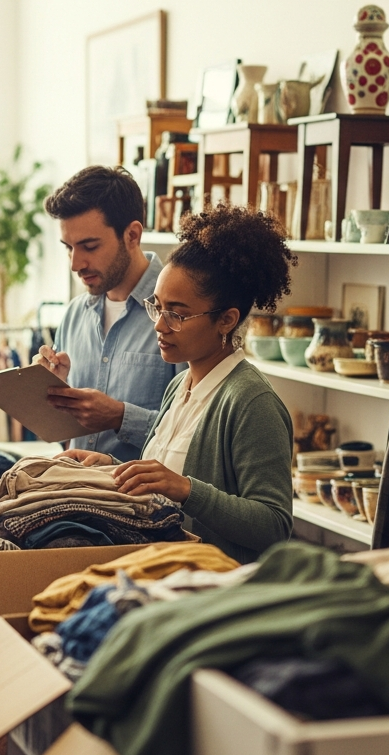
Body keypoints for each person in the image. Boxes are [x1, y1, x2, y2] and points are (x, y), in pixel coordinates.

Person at [60, 204, 297, 563]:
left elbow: (274, 525)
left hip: (214, 585)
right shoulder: (179, 386)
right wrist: (110, 466)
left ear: (226, 320)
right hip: (162, 572)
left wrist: (187, 490)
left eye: (177, 314)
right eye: (157, 307)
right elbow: (163, 482)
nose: (159, 324)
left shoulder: (251, 401)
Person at [33, 166, 183, 462]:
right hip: (72, 485)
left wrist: (120, 417)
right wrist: (48, 396)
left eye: (89, 246)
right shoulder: (74, 315)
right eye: (68, 248)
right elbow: (64, 437)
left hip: (140, 492)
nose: (75, 264)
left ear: (132, 235)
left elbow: (197, 434)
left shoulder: (180, 314)